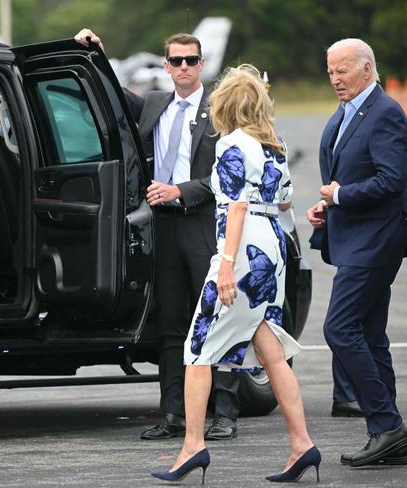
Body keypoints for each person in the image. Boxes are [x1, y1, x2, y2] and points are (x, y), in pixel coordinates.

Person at [152, 64, 320, 484]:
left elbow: (236, 207)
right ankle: (302, 444)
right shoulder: (274, 146)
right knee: (271, 351)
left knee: (196, 351)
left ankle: (192, 447)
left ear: (224, 104)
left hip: (241, 251)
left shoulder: (231, 145)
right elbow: (284, 207)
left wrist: (225, 265)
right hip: (271, 248)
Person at [74, 28, 240, 442]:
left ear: (201, 65)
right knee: (170, 322)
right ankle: (173, 412)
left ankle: (225, 412)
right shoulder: (153, 105)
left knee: (216, 318)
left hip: (204, 222)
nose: (183, 67)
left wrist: (180, 190)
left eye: (191, 60)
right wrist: (96, 52)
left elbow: (227, 176)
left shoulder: (220, 110)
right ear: (166, 66)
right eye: (176, 60)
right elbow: (111, 93)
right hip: (163, 227)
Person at [307, 38, 407, 467]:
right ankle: (391, 436)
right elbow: (345, 178)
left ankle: (386, 424)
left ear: (367, 69)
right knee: (369, 336)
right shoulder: (346, 112)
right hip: (354, 240)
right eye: (331, 71)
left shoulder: (385, 113)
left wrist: (342, 194)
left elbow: (393, 181)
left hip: (376, 243)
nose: (335, 78)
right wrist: (327, 206)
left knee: (339, 328)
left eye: (343, 70)